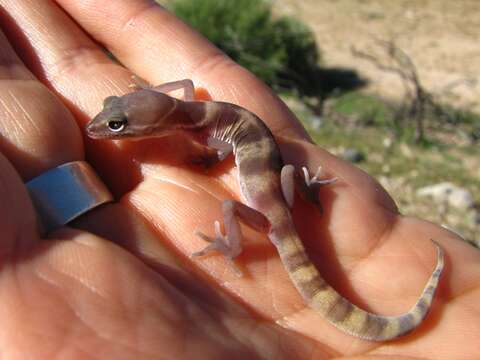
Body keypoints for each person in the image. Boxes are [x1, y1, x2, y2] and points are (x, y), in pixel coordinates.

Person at [0, 0, 478, 358]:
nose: (108, 129)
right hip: (280, 185)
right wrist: (147, 97)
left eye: (120, 125)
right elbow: (186, 91)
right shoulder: (196, 113)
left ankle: (237, 243)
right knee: (279, 181)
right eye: (115, 118)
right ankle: (305, 192)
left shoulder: (198, 130)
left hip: (267, 216)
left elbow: (205, 138)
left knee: (230, 207)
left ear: (156, 123)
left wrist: (231, 243)